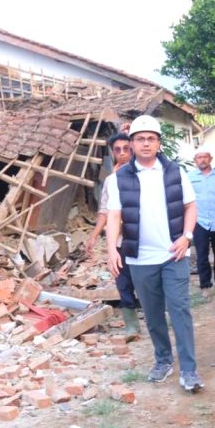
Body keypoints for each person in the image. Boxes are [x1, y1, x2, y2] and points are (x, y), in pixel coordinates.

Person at [105, 115, 203, 392]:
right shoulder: (118, 179)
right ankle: (163, 360)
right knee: (152, 312)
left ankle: (189, 370)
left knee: (180, 309)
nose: (145, 143)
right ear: (132, 143)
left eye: (151, 138)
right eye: (140, 139)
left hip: (174, 255)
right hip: (139, 258)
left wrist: (187, 237)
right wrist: (111, 248)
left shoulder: (174, 172)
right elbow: (114, 216)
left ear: (159, 143)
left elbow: (190, 207)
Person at [86, 131, 140, 339]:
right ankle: (132, 326)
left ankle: (158, 315)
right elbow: (105, 211)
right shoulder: (110, 180)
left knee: (145, 278)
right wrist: (93, 235)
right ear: (113, 153)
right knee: (122, 280)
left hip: (142, 236)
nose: (123, 153)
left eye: (126, 149)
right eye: (118, 150)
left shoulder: (141, 174)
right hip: (119, 239)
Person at [189, 146, 215, 292]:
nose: (202, 160)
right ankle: (205, 284)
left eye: (205, 157)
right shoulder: (189, 178)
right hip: (199, 220)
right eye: (199, 157)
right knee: (202, 253)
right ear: (195, 161)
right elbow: (187, 200)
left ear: (210, 159)